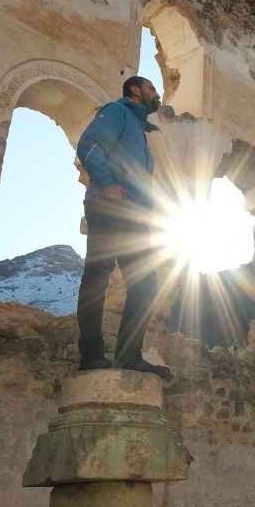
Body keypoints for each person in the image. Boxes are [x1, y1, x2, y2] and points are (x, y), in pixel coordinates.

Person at [74, 75, 170, 376]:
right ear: (135, 90)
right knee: (98, 276)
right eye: (152, 88)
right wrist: (107, 183)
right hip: (110, 205)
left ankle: (129, 356)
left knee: (146, 284)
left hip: (135, 215)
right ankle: (91, 356)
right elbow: (88, 144)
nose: (158, 93)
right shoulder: (118, 111)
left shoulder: (141, 130)